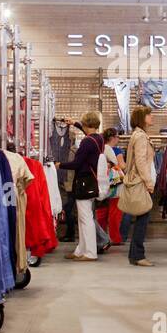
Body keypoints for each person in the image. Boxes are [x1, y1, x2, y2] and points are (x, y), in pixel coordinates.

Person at [59, 111, 106, 261]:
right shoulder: (99, 138)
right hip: (91, 182)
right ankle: (81, 250)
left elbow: (76, 164)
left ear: (86, 125)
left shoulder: (86, 142)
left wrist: (60, 165)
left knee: (85, 219)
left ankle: (90, 253)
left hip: (84, 183)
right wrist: (75, 123)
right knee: (84, 218)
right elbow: (87, 132)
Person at [118, 106, 157, 266]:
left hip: (140, 180)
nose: (152, 117)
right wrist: (148, 182)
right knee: (142, 218)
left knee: (141, 218)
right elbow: (140, 162)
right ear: (143, 117)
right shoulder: (141, 137)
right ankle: (138, 255)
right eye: (149, 114)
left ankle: (135, 254)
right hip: (141, 182)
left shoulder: (138, 135)